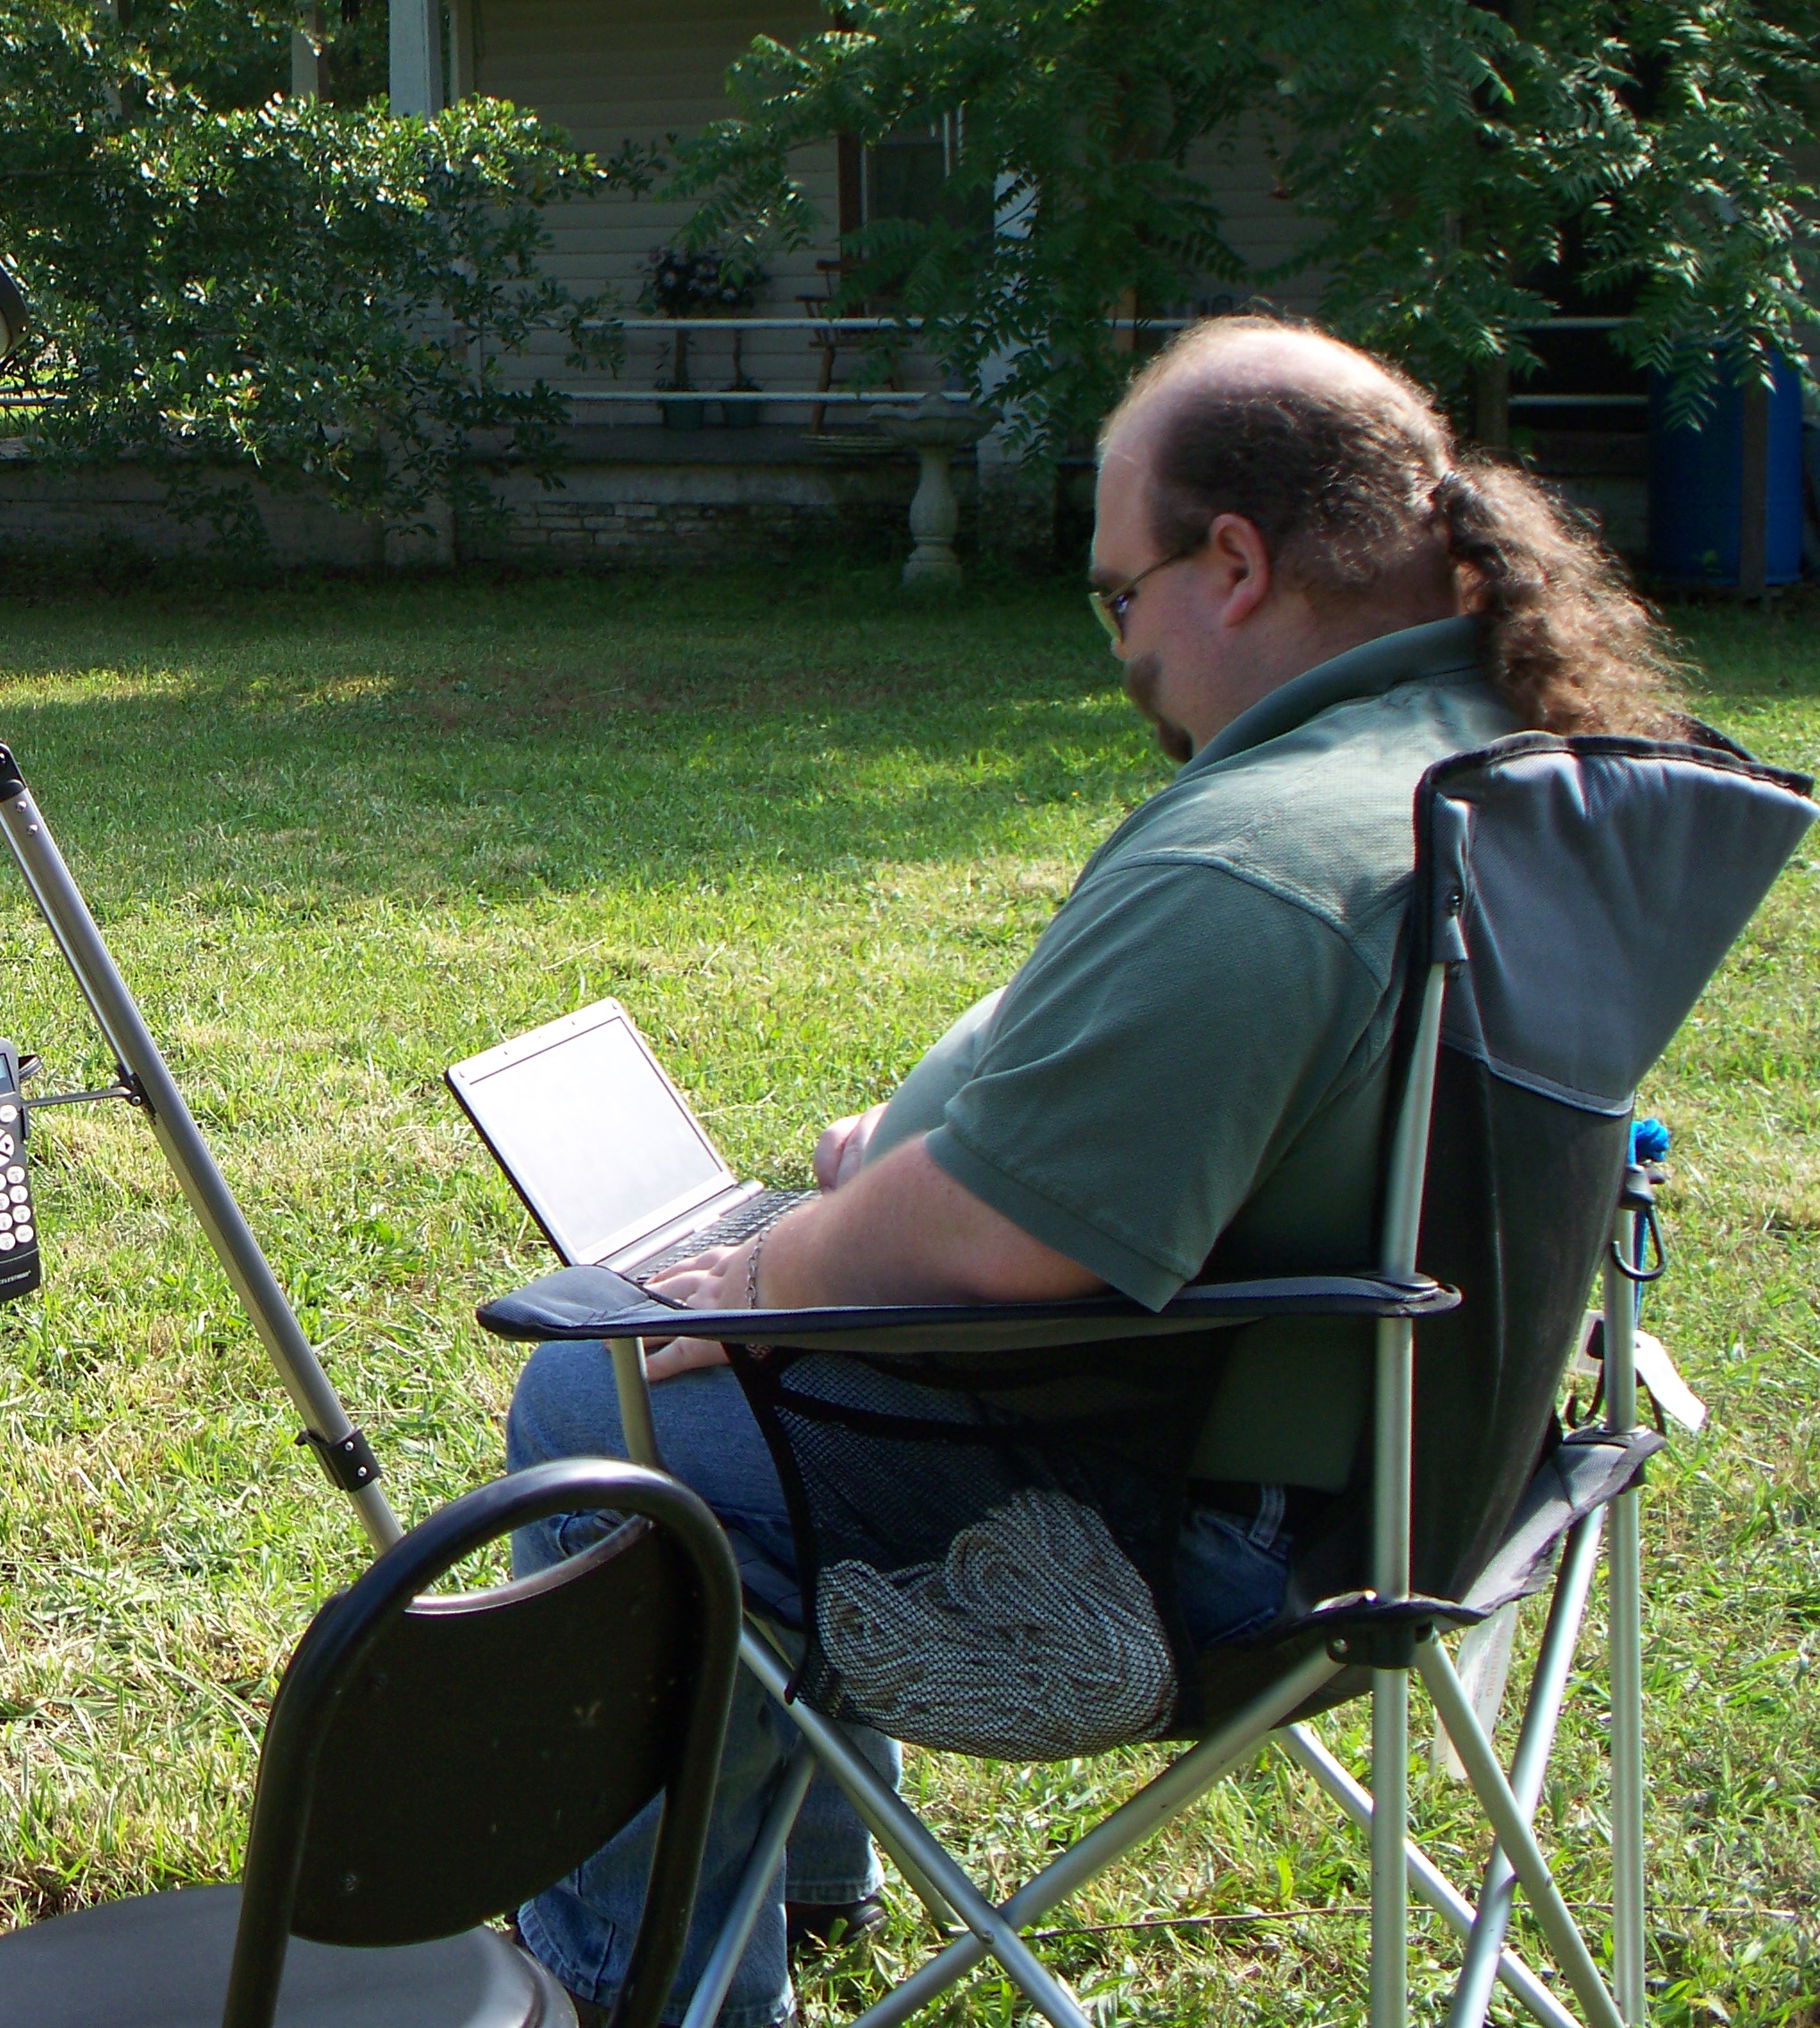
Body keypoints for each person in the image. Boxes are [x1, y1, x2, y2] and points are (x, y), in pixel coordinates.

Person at [505, 316, 1683, 2027]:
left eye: (1117, 597)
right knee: (733, 1371)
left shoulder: (1276, 851)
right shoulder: (1505, 768)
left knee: (598, 1405)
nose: (1120, 651)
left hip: (1197, 1544)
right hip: (1440, 1476)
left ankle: (631, 1992)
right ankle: (809, 1871)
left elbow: (994, 1247)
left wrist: (760, 1279)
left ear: (1234, 561)